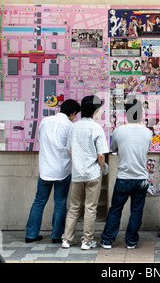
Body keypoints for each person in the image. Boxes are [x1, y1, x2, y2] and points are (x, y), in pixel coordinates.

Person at [100, 96, 153, 249]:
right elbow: (145, 149)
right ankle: (131, 241)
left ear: (126, 112)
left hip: (124, 176)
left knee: (116, 209)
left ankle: (107, 240)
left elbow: (114, 148)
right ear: (141, 113)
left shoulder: (118, 131)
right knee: (136, 211)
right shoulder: (147, 132)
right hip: (141, 178)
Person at [25, 99, 81, 243]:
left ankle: (31, 234)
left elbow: (40, 139)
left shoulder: (45, 121)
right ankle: (56, 235)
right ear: (73, 113)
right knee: (60, 202)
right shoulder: (70, 126)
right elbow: (72, 148)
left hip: (45, 169)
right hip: (63, 170)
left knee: (39, 201)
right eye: (75, 115)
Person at [62, 95, 109, 250]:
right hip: (93, 174)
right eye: (100, 108)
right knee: (90, 208)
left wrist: (78, 161)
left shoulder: (74, 127)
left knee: (74, 207)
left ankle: (67, 239)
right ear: (94, 110)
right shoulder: (96, 128)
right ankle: (87, 241)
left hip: (76, 174)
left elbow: (69, 150)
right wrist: (102, 167)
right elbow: (101, 154)